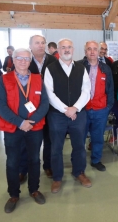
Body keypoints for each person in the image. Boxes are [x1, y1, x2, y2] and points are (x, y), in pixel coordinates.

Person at [0, 48, 49, 213]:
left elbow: (44, 104)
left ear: (30, 60)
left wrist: (30, 122)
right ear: (13, 59)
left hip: (34, 127)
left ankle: (34, 189)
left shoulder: (38, 78)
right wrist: (20, 122)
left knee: (34, 160)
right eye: (19, 58)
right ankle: (13, 194)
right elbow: (0, 106)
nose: (23, 61)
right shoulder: (4, 80)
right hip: (13, 128)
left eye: (27, 58)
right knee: (12, 162)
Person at [44, 38, 92, 193]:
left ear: (73, 49)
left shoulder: (81, 68)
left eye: (69, 47)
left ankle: (79, 172)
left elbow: (87, 91)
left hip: (78, 115)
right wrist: (66, 109)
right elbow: (49, 94)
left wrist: (75, 108)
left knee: (79, 146)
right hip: (57, 115)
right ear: (58, 49)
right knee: (56, 147)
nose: (66, 50)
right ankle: (57, 177)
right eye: (63, 47)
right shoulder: (50, 68)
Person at [79, 41, 114, 171]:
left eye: (95, 49)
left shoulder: (105, 68)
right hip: (83, 110)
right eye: (89, 49)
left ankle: (96, 160)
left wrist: (108, 107)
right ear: (85, 51)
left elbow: (110, 89)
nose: (92, 52)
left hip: (101, 110)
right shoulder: (78, 66)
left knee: (98, 137)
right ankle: (79, 162)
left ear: (99, 51)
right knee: (80, 138)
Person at [27, 35, 57, 178]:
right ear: (30, 45)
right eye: (37, 43)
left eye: (43, 43)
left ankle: (48, 165)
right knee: (30, 138)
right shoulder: (24, 60)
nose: (40, 45)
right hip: (30, 105)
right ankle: (24, 168)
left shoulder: (53, 60)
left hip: (50, 104)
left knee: (49, 138)